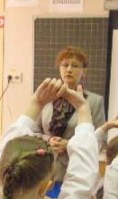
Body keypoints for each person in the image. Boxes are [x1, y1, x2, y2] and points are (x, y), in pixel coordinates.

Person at [38, 46, 106, 181]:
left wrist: (70, 144)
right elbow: (33, 133)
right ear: (59, 68)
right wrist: (49, 141)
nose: (69, 69)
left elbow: (101, 139)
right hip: (44, 169)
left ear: (84, 71)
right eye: (65, 65)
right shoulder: (46, 97)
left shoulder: (94, 101)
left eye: (75, 66)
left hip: (76, 171)